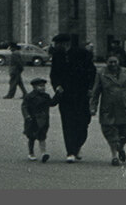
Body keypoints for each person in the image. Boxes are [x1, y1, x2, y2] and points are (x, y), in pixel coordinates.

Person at [49, 33, 96, 162]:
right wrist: (57, 86)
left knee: (84, 122)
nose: (55, 47)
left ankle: (77, 145)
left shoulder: (82, 53)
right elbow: (53, 74)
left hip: (81, 94)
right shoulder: (57, 56)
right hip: (65, 95)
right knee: (67, 123)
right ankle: (70, 151)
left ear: (65, 44)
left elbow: (92, 71)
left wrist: (90, 88)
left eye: (57, 44)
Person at [90, 53, 126, 166]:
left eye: (115, 62)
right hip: (108, 109)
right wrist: (93, 107)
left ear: (118, 62)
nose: (113, 64)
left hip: (124, 108)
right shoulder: (101, 73)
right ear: (106, 63)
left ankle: (120, 147)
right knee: (110, 133)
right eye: (110, 62)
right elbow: (96, 92)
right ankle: (114, 156)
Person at [22, 78, 60, 162]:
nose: (42, 88)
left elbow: (52, 103)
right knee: (31, 137)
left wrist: (58, 93)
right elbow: (24, 107)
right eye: (40, 86)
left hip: (43, 120)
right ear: (34, 87)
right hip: (32, 120)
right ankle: (31, 153)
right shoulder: (29, 96)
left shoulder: (46, 96)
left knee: (42, 136)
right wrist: (27, 116)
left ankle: (43, 153)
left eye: (43, 86)